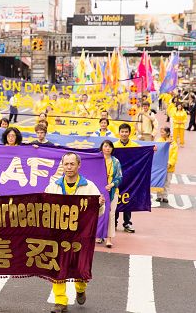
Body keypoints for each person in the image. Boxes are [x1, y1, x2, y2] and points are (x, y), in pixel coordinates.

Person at [44, 152, 105, 313]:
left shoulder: (89, 186)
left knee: (79, 267)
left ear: (79, 165)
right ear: (62, 166)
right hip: (59, 235)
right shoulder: (53, 186)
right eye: (66, 164)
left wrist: (99, 204)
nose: (69, 167)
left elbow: (97, 212)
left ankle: (80, 287)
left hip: (81, 236)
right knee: (57, 267)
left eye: (72, 164)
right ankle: (60, 302)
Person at [113, 123, 138, 233]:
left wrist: (152, 149)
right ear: (119, 133)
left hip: (129, 178)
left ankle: (127, 223)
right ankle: (113, 223)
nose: (124, 134)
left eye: (126, 132)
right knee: (115, 200)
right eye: (122, 132)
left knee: (127, 199)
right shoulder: (113, 146)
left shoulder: (135, 146)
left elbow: (144, 153)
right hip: (116, 178)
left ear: (129, 133)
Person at [98, 140, 122, 248]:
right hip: (99, 192)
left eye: (110, 147)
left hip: (112, 191)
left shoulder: (116, 162)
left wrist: (111, 185)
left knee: (111, 215)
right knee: (99, 213)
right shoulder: (97, 160)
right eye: (105, 146)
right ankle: (99, 235)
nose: (107, 148)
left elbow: (119, 177)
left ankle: (109, 238)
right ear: (102, 148)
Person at [156, 127, 178, 203]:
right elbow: (156, 152)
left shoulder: (173, 143)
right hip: (160, 166)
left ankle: (165, 196)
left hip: (169, 167)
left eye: (163, 132)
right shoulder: (158, 141)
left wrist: (170, 163)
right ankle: (159, 196)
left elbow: (174, 155)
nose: (161, 133)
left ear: (168, 133)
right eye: (161, 132)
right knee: (159, 181)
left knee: (167, 182)